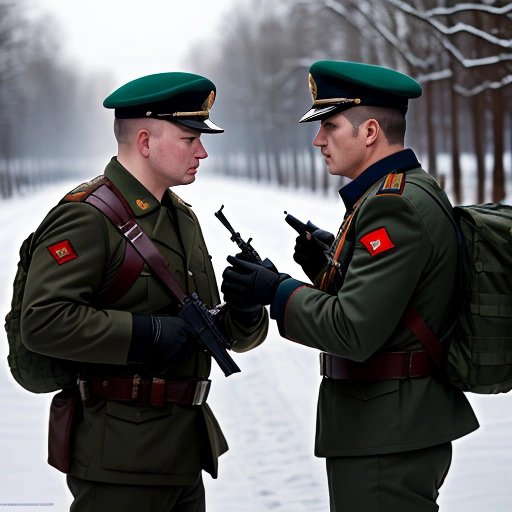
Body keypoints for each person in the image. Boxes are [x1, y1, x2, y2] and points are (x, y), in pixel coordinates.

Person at [221, 60, 479, 511]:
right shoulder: (399, 191)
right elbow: (393, 305)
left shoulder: (391, 206)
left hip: (387, 434)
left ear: (370, 132)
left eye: (330, 125)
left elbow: (354, 330)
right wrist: (327, 265)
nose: (318, 139)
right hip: (390, 427)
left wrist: (275, 291)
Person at [20, 72, 268, 512]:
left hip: (183, 453)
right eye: (190, 138)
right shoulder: (87, 218)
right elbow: (43, 322)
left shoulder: (181, 218)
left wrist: (247, 308)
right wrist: (145, 333)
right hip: (120, 457)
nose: (203, 151)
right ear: (145, 141)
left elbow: (211, 331)